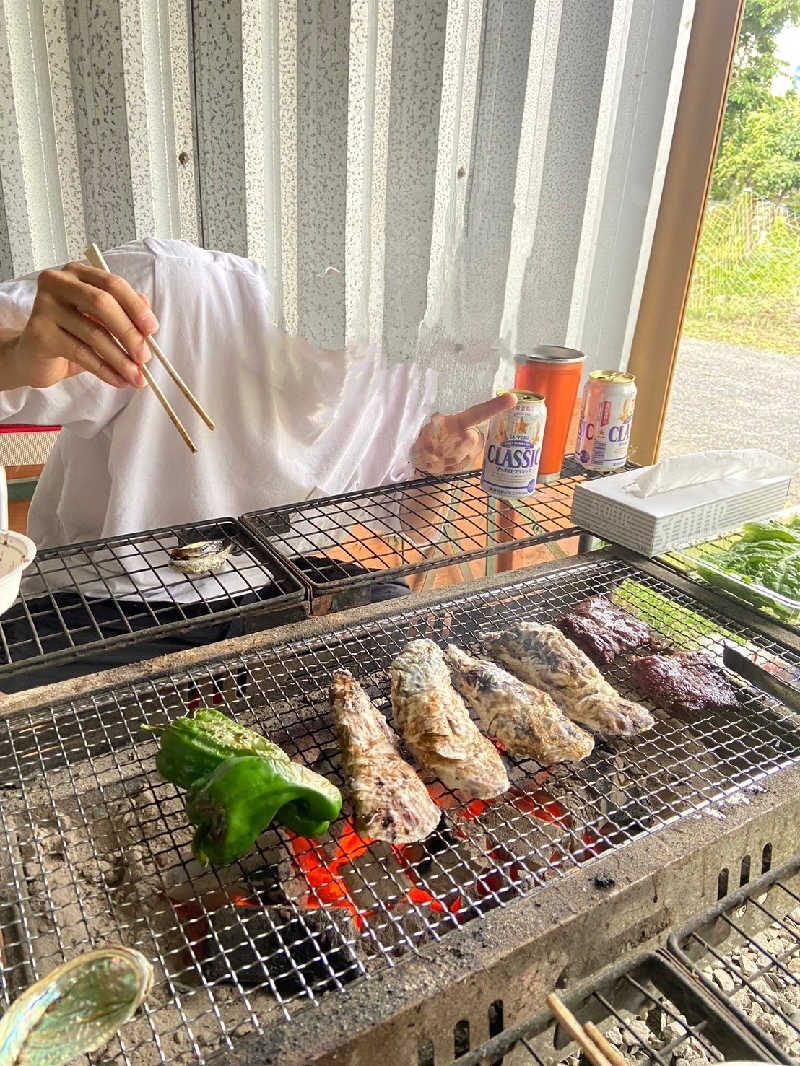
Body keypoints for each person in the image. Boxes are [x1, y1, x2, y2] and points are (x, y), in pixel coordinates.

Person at [0, 239, 513, 687]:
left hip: (268, 584)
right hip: (105, 597)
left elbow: (410, 524)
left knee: (400, 626)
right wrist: (21, 354)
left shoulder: (401, 380)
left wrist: (437, 473)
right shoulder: (173, 293)